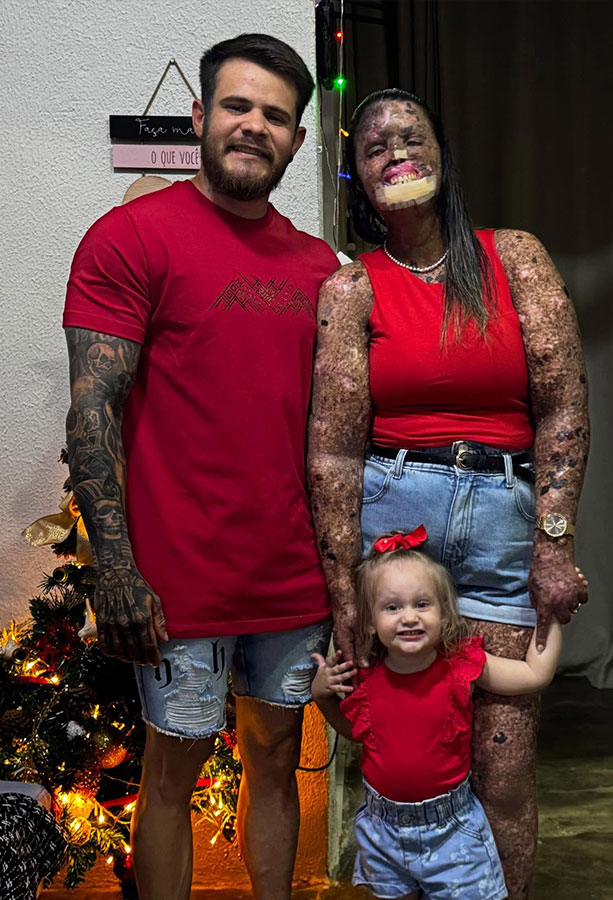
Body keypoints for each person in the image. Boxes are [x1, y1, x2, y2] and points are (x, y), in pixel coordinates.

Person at [63, 35, 338, 900]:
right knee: (171, 775)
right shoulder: (129, 238)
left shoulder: (321, 267)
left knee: (275, 760)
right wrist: (116, 571)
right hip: (174, 580)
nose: (254, 126)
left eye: (276, 116)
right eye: (237, 106)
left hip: (288, 575)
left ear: (295, 141)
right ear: (200, 118)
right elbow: (92, 410)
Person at [307, 89, 590, 899]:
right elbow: (331, 449)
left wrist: (554, 540)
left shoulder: (516, 258)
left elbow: (563, 402)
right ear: (357, 180)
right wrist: (343, 597)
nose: (395, 150)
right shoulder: (351, 289)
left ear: (440, 151)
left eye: (411, 134)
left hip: (505, 519)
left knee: (500, 775)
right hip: (396, 524)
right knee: (400, 758)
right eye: (373, 146)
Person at [311, 529, 564, 900]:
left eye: (422, 604)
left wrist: (553, 611)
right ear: (369, 622)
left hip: (452, 833)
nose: (409, 617)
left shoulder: (461, 666)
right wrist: (321, 695)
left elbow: (534, 674)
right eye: (392, 607)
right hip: (383, 835)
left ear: (445, 615)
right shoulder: (363, 676)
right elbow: (356, 732)